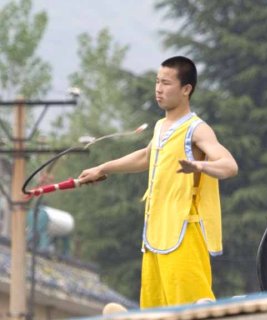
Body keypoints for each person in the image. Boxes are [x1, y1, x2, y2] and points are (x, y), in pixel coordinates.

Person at [78, 56, 238, 309]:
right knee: (155, 310)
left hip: (183, 234)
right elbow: (145, 156)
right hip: (154, 235)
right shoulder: (161, 126)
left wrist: (199, 165)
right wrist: (102, 168)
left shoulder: (197, 129)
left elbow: (229, 165)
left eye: (166, 83)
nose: (158, 89)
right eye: (157, 82)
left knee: (193, 309)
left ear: (186, 89)